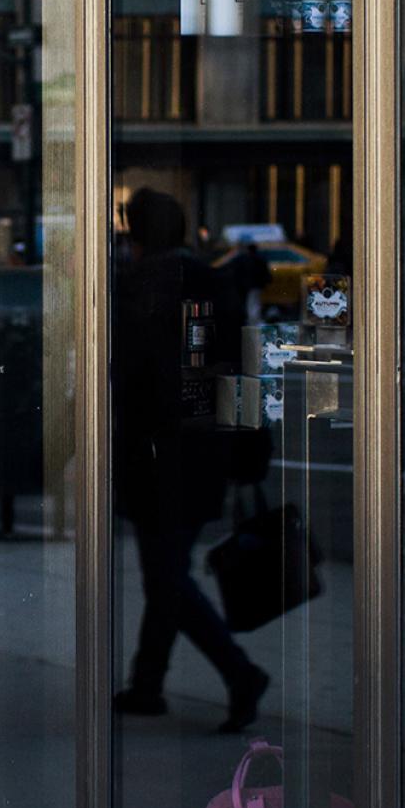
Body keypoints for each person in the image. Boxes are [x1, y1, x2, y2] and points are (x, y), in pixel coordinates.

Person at [112, 187, 269, 732]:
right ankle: (147, 683)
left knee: (165, 577)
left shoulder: (138, 289)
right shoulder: (211, 280)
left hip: (158, 453)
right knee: (166, 572)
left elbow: (132, 378)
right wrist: (247, 436)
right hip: (204, 448)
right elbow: (240, 362)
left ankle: (238, 672)